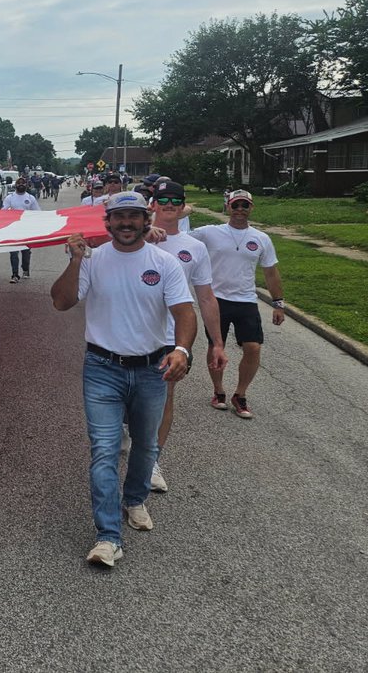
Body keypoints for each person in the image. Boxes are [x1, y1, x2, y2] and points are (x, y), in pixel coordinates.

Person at [50, 192, 196, 568]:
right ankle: (108, 537)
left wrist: (182, 350)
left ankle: (134, 498)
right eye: (119, 217)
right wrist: (75, 260)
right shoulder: (93, 260)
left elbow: (183, 312)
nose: (126, 223)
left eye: (134, 216)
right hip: (102, 368)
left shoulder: (164, 263)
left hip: (151, 369)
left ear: (146, 220)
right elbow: (62, 302)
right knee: (104, 449)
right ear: (108, 222)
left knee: (146, 445)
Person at [148, 179, 228, 492]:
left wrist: (217, 342)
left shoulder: (194, 248)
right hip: (133, 333)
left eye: (175, 200)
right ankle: (133, 432)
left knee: (164, 396)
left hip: (171, 335)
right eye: (162, 199)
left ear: (183, 207)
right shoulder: (134, 237)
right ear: (153, 204)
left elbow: (206, 297)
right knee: (131, 398)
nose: (168, 204)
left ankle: (153, 459)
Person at [190, 189, 284, 419]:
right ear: (227, 207)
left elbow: (270, 273)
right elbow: (178, 239)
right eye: (235, 205)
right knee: (215, 346)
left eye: (245, 205)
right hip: (216, 299)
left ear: (251, 208)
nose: (240, 210)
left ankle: (240, 394)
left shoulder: (261, 238)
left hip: (246, 301)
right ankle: (218, 391)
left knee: (253, 347)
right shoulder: (209, 233)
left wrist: (278, 303)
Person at [2, 177, 41, 283]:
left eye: (23, 183)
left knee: (25, 252)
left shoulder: (31, 198)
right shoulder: (9, 198)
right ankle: (15, 274)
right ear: (15, 185)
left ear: (26, 185)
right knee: (13, 253)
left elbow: (37, 213)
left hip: (26, 230)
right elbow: (3, 211)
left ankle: (25, 268)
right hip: (13, 229)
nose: (21, 185)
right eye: (19, 183)